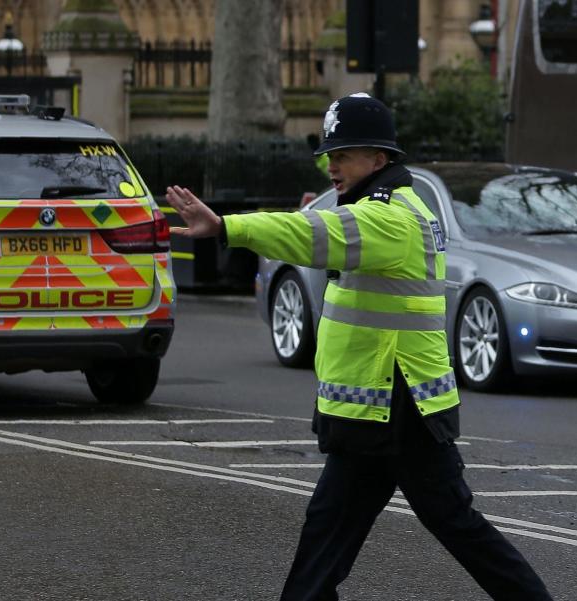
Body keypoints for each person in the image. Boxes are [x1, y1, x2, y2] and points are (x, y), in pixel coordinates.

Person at [163, 93, 554, 601]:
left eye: (342, 155)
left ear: (379, 158)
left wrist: (226, 227)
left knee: (453, 526)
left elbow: (308, 233)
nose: (331, 166)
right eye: (329, 155)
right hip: (375, 408)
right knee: (330, 534)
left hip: (401, 407)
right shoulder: (382, 207)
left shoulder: (389, 218)